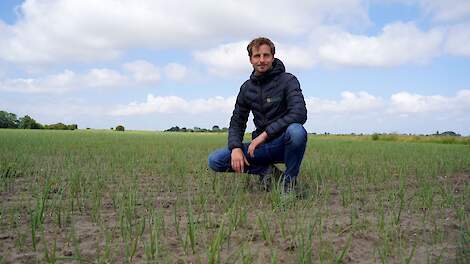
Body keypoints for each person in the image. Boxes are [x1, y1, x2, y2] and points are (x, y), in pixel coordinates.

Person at [208, 37, 308, 193]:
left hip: (284, 144)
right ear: (250, 60)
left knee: (296, 131)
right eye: (257, 56)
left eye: (266, 55)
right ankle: (267, 172)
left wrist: (264, 135)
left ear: (273, 57)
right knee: (215, 160)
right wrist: (235, 147)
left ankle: (289, 184)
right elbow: (237, 121)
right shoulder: (246, 88)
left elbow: (299, 113)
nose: (262, 60)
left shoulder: (288, 80)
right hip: (259, 148)